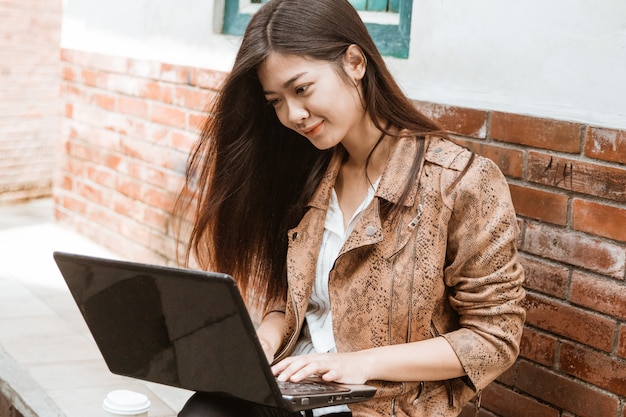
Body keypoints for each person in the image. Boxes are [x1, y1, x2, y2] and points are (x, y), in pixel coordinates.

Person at [174, 0, 526, 416]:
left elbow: (495, 336)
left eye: (301, 89)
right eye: (275, 101)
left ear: (355, 62)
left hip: (383, 404)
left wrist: (359, 363)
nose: (293, 115)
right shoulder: (306, 173)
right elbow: (293, 297)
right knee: (204, 411)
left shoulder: (459, 181)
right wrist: (265, 340)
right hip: (295, 389)